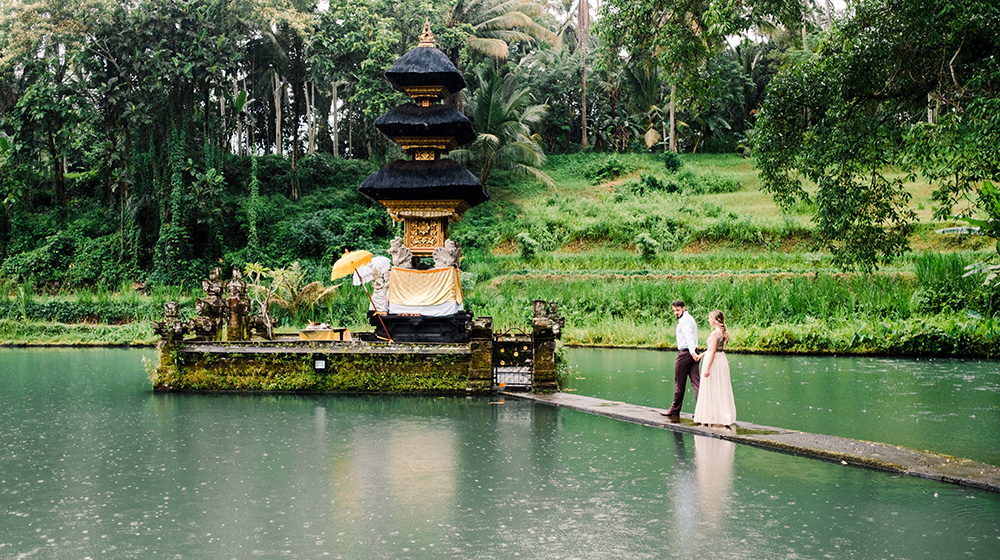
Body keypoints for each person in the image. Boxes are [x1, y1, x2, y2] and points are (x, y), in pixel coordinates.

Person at [693, 310, 736, 428]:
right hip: (722, 359)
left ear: (714, 320)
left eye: (709, 318)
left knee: (711, 387)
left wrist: (707, 368)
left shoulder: (714, 334)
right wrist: (701, 355)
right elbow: (713, 349)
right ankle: (723, 416)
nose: (708, 320)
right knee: (721, 387)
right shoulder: (724, 333)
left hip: (714, 362)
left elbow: (712, 352)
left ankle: (709, 417)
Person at [661, 300, 700, 418]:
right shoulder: (690, 318)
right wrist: (694, 352)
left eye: (677, 310)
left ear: (683, 308)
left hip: (686, 353)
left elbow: (689, 336)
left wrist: (692, 352)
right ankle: (701, 411)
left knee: (679, 382)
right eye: (674, 311)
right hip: (693, 352)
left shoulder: (684, 321)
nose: (676, 313)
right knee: (696, 383)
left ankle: (675, 410)